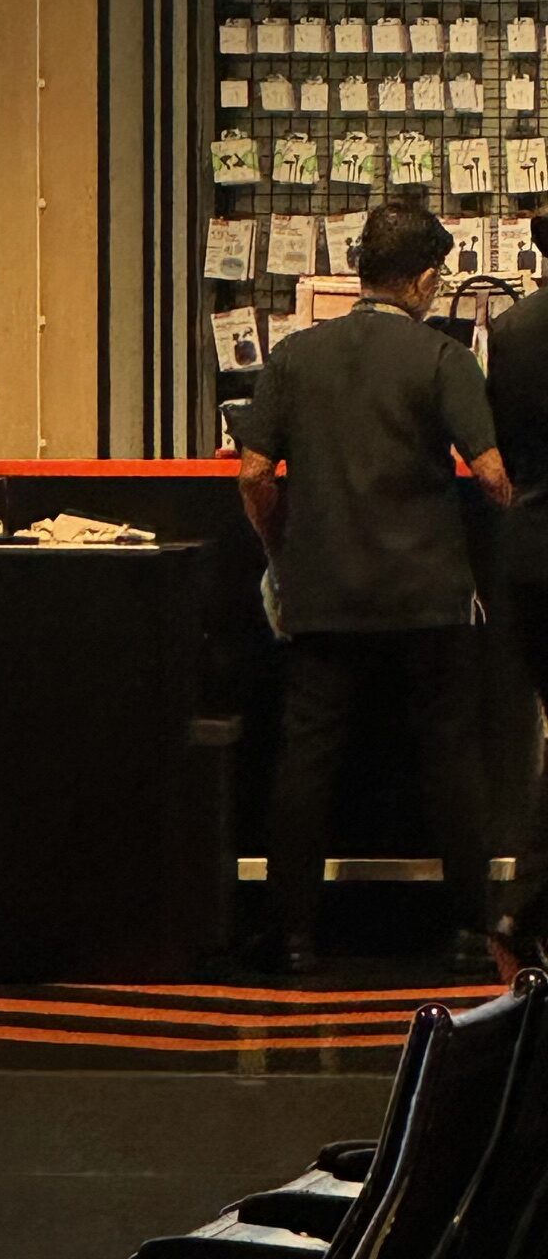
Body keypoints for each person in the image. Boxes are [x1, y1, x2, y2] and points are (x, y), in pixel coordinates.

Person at [238, 202, 511, 976]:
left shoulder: (295, 356)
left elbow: (253, 475)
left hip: (324, 592)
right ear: (423, 280)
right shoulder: (442, 359)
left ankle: (292, 935)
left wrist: (279, 551)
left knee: (307, 759)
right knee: (450, 756)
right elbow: (491, 474)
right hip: (427, 594)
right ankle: (469, 929)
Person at [485, 210, 548, 971]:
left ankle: (523, 910)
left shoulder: (513, 331)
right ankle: (520, 907)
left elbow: (503, 443)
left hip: (530, 553)